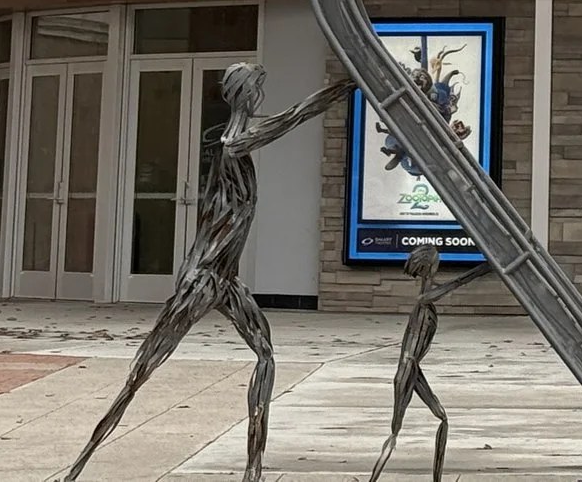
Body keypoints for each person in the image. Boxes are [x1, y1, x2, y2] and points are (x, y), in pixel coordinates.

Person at [56, 66, 350, 482]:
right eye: (257, 88)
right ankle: (79, 465)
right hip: (204, 275)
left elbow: (288, 119)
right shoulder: (234, 142)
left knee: (265, 354)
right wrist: (348, 85)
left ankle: (253, 467)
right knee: (143, 370)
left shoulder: (238, 137)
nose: (260, 95)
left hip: (226, 278)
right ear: (243, 93)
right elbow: (295, 116)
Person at [365, 242, 490, 482]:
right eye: (435, 262)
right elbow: (459, 281)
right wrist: (486, 267)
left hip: (413, 367)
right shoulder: (425, 299)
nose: (438, 265)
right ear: (428, 267)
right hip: (408, 367)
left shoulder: (425, 299)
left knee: (441, 419)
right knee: (396, 430)